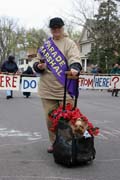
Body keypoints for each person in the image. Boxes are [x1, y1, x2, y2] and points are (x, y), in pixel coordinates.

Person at [33, 17, 82, 153]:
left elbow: (75, 58)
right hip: (47, 88)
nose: (56, 30)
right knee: (50, 120)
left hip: (65, 87)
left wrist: (74, 67)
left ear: (62, 28)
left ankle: (72, 142)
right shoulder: (46, 46)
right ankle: (55, 143)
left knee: (70, 118)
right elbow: (37, 61)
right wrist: (39, 66)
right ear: (50, 29)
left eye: (58, 28)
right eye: (53, 28)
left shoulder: (69, 43)